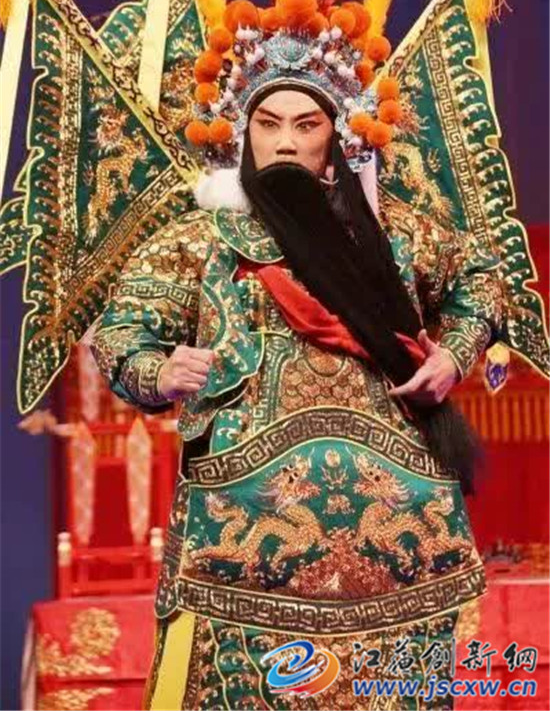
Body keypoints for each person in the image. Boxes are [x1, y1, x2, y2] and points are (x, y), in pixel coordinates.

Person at [91, 67, 504, 708]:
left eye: (306, 125)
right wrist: (159, 370)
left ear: (335, 137)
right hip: (240, 541)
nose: (285, 141)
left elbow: (482, 279)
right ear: (244, 134)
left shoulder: (395, 234)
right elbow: (120, 332)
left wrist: (452, 357)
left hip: (400, 541)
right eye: (269, 124)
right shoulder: (200, 242)